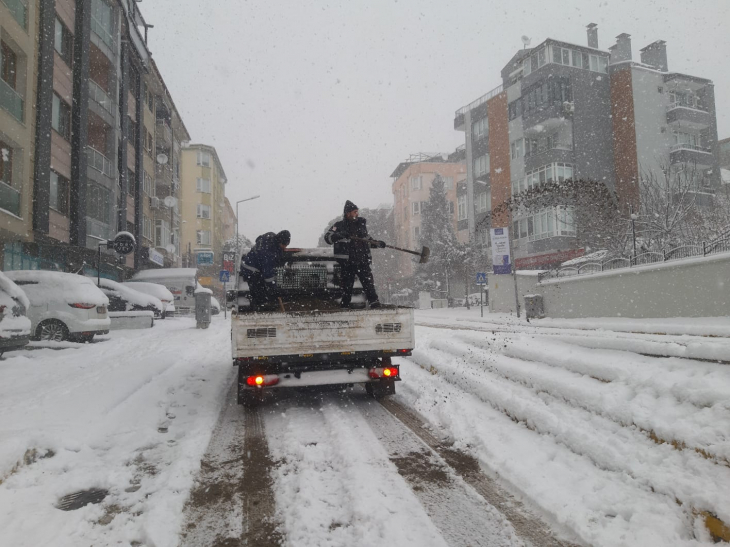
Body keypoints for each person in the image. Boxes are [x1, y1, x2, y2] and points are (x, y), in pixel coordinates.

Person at [324, 201, 386, 309]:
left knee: (369, 285)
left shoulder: (361, 225)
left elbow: (366, 239)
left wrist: (377, 244)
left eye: (357, 212)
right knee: (347, 287)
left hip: (363, 261)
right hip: (348, 263)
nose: (357, 214)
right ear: (348, 213)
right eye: (355, 212)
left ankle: (374, 304)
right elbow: (328, 238)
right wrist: (339, 235)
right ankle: (345, 306)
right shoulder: (338, 226)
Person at [240, 230, 291, 310]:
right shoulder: (269, 252)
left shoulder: (270, 238)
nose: (285, 247)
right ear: (280, 241)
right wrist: (275, 289)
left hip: (251, 266)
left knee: (263, 289)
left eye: (287, 245)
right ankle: (259, 309)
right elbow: (268, 275)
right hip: (250, 270)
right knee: (260, 292)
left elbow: (258, 239)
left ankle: (260, 304)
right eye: (284, 245)